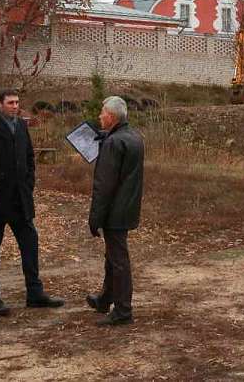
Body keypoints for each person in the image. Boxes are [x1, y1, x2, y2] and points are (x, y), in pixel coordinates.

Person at [0, 89, 64, 315]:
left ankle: (35, 293)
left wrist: (28, 183)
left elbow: (29, 156)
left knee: (30, 243)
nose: (14, 106)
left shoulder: (20, 125)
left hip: (21, 198)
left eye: (17, 102)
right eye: (10, 102)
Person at [86, 96, 145, 326]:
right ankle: (105, 299)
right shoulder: (133, 137)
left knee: (118, 260)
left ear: (110, 116)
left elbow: (104, 185)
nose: (99, 116)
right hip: (128, 206)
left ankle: (123, 311)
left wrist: (95, 218)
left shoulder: (113, 143)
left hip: (115, 211)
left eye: (102, 113)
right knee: (112, 256)